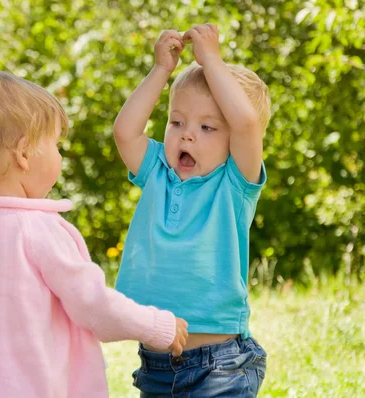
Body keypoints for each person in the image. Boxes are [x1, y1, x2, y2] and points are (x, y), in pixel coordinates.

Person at [0, 71, 189, 398]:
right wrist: (157, 326)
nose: (59, 155)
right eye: (54, 143)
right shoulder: (38, 231)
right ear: (24, 153)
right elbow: (93, 304)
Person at [113, 24, 271, 397]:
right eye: (177, 122)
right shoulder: (156, 173)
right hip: (155, 365)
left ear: (234, 143)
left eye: (207, 127)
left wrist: (211, 61)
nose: (186, 135)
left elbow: (247, 124)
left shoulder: (233, 186)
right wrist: (160, 71)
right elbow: (124, 132)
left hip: (220, 366)